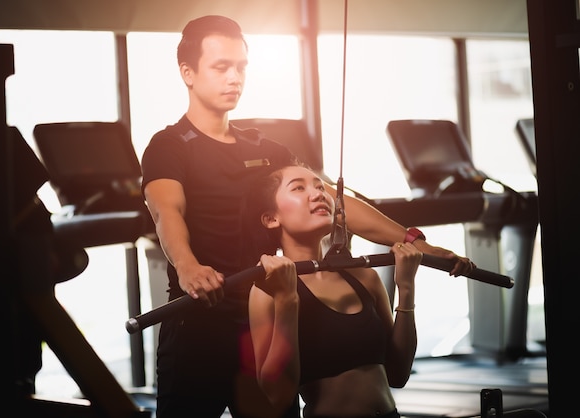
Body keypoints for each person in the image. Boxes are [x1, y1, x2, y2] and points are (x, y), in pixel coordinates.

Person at [140, 14, 474, 417]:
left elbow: (333, 203)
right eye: (221, 67)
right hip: (203, 321)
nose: (235, 78)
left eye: (241, 67)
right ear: (188, 73)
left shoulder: (266, 147)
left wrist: (412, 241)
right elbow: (166, 210)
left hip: (268, 308)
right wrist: (188, 266)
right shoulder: (170, 145)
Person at [246, 164, 421, 418]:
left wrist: (406, 287)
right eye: (298, 187)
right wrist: (287, 299)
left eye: (320, 187)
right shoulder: (266, 291)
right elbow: (277, 396)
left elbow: (398, 374)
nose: (318, 194)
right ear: (272, 218)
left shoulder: (364, 277)